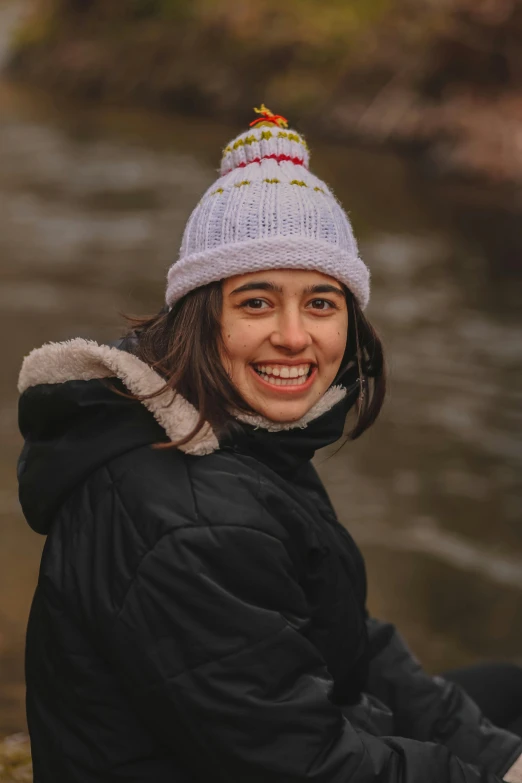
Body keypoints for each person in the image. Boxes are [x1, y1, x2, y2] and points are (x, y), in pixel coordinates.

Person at [17, 105, 522, 783]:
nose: (293, 336)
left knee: (507, 693)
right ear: (202, 318)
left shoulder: (232, 433)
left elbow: (346, 631)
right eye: (256, 301)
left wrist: (496, 753)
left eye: (320, 302)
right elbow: (299, 765)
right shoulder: (185, 515)